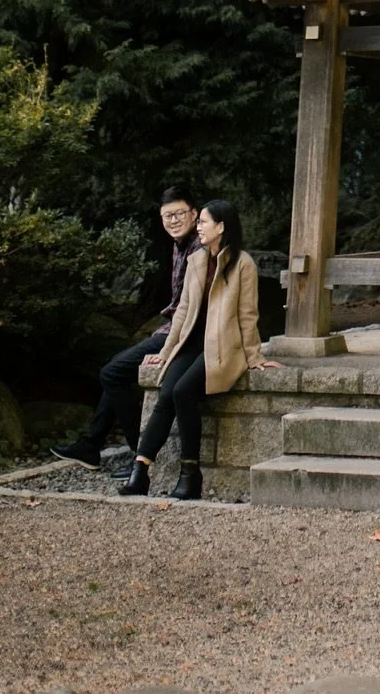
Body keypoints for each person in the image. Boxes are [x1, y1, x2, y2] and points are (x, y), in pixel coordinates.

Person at [119, 199, 273, 501]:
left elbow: (247, 315)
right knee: (166, 394)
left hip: (223, 347)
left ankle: (190, 473)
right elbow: (182, 312)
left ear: (221, 226)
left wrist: (255, 356)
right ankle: (140, 471)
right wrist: (166, 351)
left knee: (182, 392)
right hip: (191, 343)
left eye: (203, 221)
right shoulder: (197, 260)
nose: (198, 227)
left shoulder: (243, 263)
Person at [50, 186, 201, 468]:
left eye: (179, 214)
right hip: (172, 329)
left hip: (185, 335)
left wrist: (167, 347)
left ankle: (138, 453)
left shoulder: (199, 250)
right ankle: (91, 445)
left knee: (112, 373)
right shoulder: (179, 246)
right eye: (167, 216)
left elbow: (191, 309)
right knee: (115, 370)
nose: (173, 221)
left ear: (194, 214)